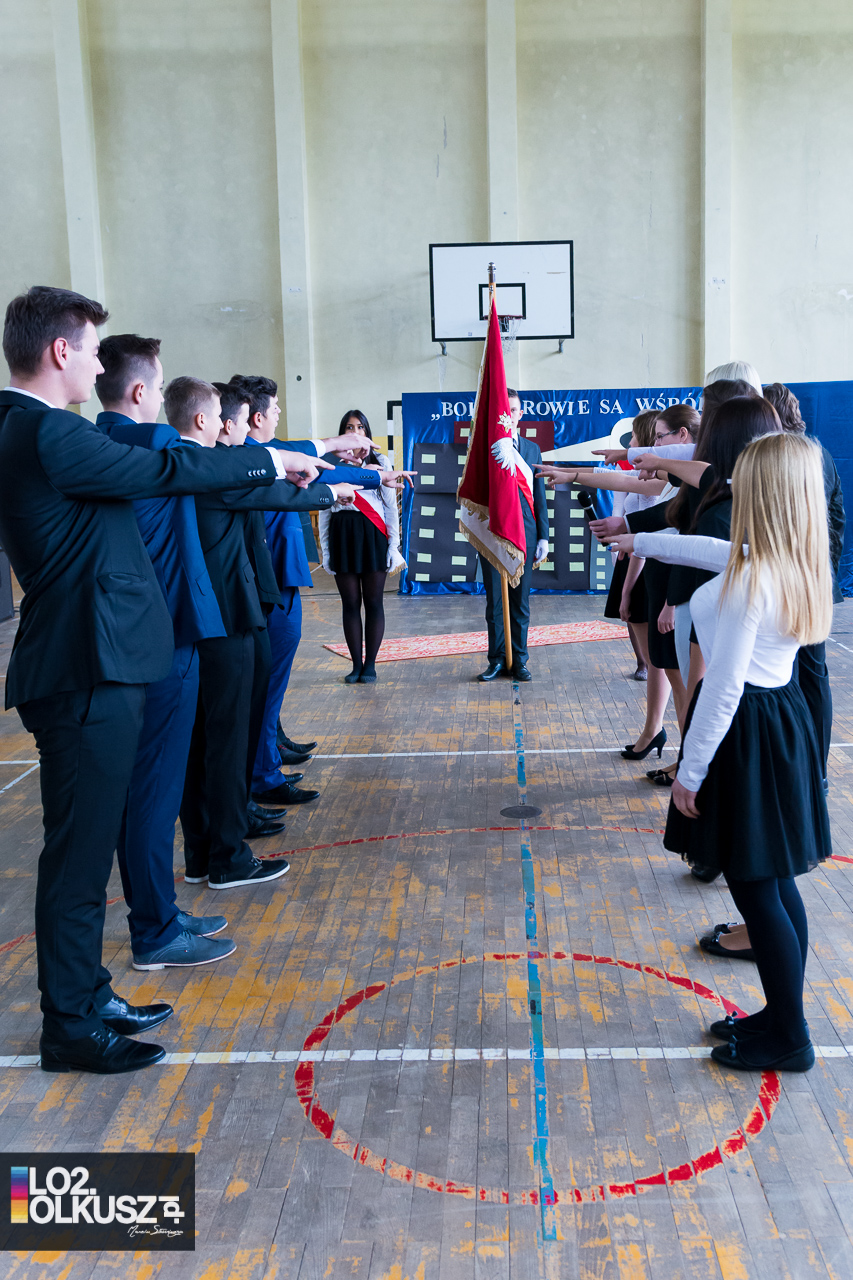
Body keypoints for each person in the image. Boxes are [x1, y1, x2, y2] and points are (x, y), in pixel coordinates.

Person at [0, 286, 315, 1075]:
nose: (99, 365)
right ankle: (71, 1026)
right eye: (91, 349)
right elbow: (164, 468)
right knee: (78, 856)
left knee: (84, 844)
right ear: (61, 352)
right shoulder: (44, 430)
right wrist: (268, 457)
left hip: (88, 660)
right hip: (86, 665)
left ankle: (86, 993)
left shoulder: (27, 427)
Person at [606, 432, 833, 1072]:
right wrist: (639, 541)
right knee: (775, 882)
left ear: (764, 494)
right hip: (780, 721)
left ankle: (790, 1037)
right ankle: (783, 1016)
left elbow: (724, 686)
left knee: (755, 887)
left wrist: (691, 771)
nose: (728, 485)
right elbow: (709, 550)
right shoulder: (789, 559)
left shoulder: (752, 578)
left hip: (745, 730)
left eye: (742, 480)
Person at [175, 378, 355, 889]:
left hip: (211, 615)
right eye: (223, 415)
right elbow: (269, 484)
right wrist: (329, 491)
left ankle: (203, 852)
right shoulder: (211, 468)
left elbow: (266, 477)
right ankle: (227, 856)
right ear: (211, 422)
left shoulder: (192, 465)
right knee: (226, 741)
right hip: (228, 617)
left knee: (206, 743)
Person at [95, 336, 236, 970]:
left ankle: (159, 912)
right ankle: (154, 930)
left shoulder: (103, 443)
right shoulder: (149, 443)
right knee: (154, 791)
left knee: (148, 791)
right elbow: (222, 464)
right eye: (156, 387)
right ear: (138, 392)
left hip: (142, 638)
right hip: (167, 637)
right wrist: (310, 456)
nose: (159, 398)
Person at [318, 410, 407, 684]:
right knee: (350, 603)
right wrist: (326, 550)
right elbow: (324, 509)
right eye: (349, 427)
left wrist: (393, 546)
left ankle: (370, 665)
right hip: (342, 535)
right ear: (342, 432)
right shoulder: (331, 463)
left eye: (360, 427)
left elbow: (390, 508)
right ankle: (355, 664)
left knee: (373, 602)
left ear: (367, 432)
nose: (355, 432)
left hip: (373, 535)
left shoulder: (380, 462)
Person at [473, 390, 549, 682]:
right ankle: (496, 660)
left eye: (514, 410)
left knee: (520, 601)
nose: (509, 415)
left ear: (520, 414)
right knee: (494, 601)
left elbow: (539, 497)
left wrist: (543, 537)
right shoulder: (485, 449)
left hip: (525, 534)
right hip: (493, 532)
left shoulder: (532, 450)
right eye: (504, 410)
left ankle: (519, 660)